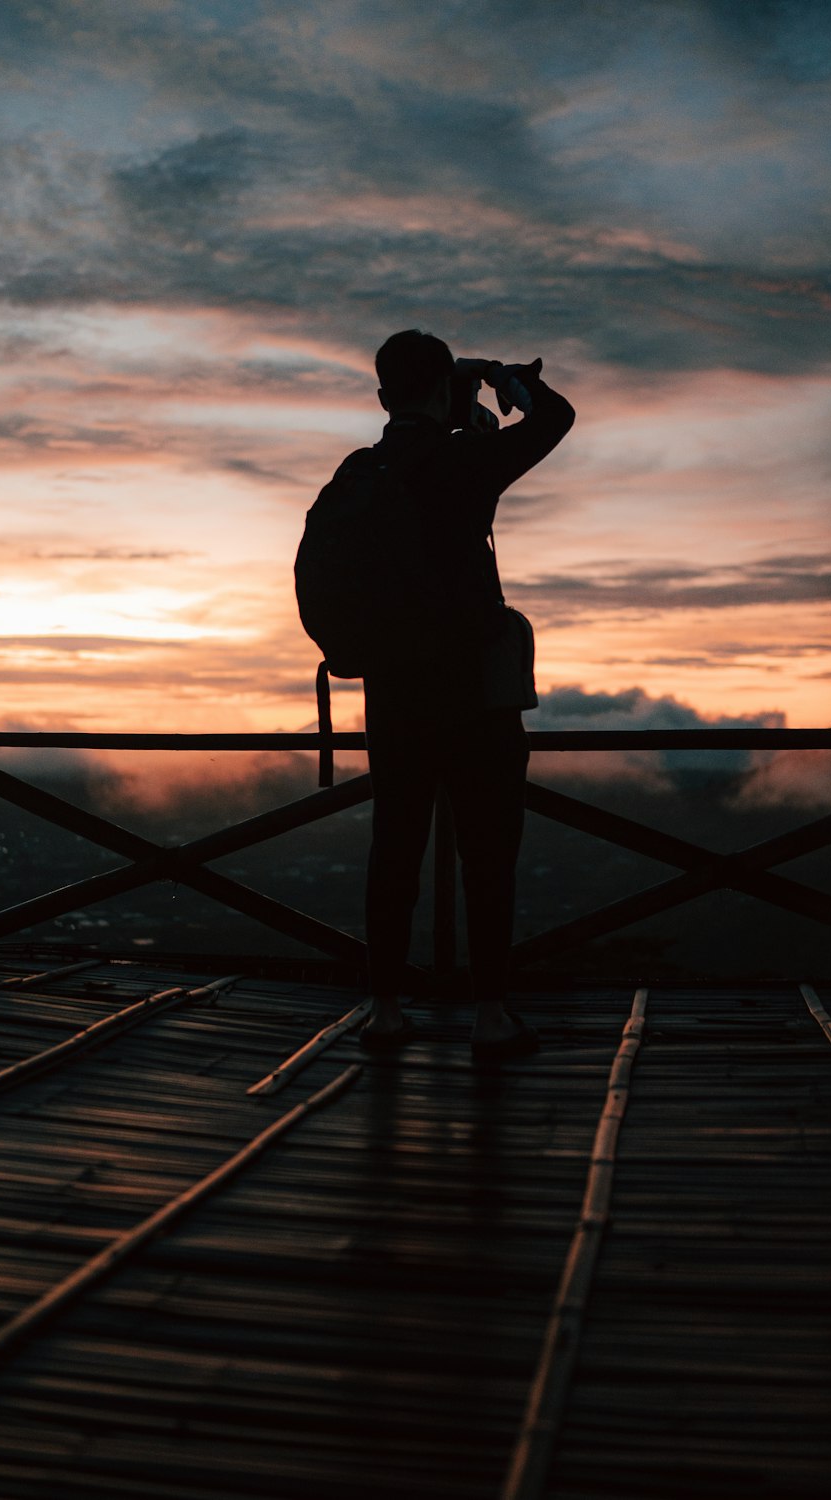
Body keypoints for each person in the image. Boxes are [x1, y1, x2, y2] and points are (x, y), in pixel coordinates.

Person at [358, 329, 574, 1061]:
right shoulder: (466, 461)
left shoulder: (363, 471)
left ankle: (384, 1011)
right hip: (474, 697)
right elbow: (555, 419)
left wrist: (456, 389)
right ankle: (489, 1016)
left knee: (394, 849)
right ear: (444, 388)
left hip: (391, 696)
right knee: (488, 854)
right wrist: (507, 380)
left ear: (384, 396)